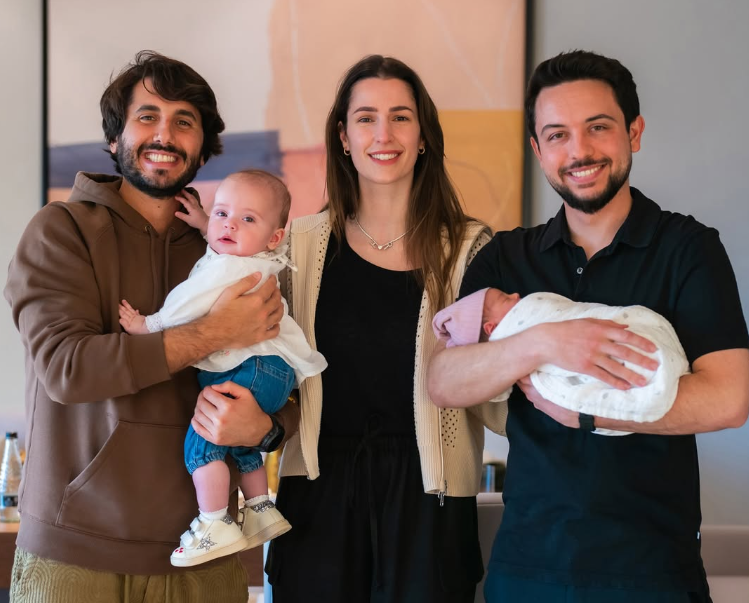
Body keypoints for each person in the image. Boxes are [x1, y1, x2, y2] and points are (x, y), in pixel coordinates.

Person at [428, 50, 749, 603]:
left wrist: (585, 413)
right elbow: (445, 381)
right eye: (557, 135)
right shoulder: (506, 258)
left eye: (598, 127)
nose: (579, 151)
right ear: (538, 149)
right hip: (526, 567)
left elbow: (729, 398)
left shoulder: (688, 249)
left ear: (634, 132)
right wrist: (545, 342)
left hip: (652, 571)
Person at [186, 54, 505, 602]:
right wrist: (260, 429)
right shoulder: (296, 246)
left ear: (423, 135)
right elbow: (246, 338)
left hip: (430, 503)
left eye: (401, 117)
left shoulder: (470, 249)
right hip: (317, 499)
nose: (384, 134)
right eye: (366, 118)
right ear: (343, 136)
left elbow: (495, 392)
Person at [4, 51, 298, 603]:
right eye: (147, 117)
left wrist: (265, 428)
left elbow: (283, 376)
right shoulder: (61, 231)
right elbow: (66, 369)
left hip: (204, 554)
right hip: (74, 556)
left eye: (184, 121)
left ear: (203, 146)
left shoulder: (233, 251)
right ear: (116, 136)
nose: (165, 134)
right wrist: (212, 332)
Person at [118, 169, 326, 567]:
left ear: (274, 237)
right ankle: (261, 509)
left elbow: (190, 299)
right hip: (272, 374)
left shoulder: (227, 270)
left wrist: (150, 325)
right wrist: (204, 223)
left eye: (247, 218)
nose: (229, 224)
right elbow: (223, 241)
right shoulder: (257, 258)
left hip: (250, 367)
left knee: (204, 440)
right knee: (240, 442)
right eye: (221, 213)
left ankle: (214, 522)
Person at [433, 287, 690, 435]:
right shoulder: (501, 254)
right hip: (535, 504)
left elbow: (719, 406)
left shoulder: (684, 243)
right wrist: (543, 341)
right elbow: (439, 385)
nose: (516, 294)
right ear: (491, 328)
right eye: (504, 299)